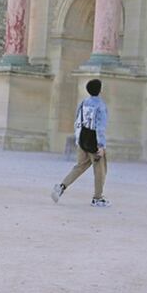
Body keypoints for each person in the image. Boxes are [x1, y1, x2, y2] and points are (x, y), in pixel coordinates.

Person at [52, 79, 110, 207]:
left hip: (83, 139)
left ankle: (62, 186)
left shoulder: (83, 103)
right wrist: (101, 146)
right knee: (100, 170)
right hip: (94, 142)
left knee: (79, 167)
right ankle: (98, 197)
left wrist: (79, 139)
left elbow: (78, 121)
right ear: (99, 90)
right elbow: (100, 127)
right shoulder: (101, 105)